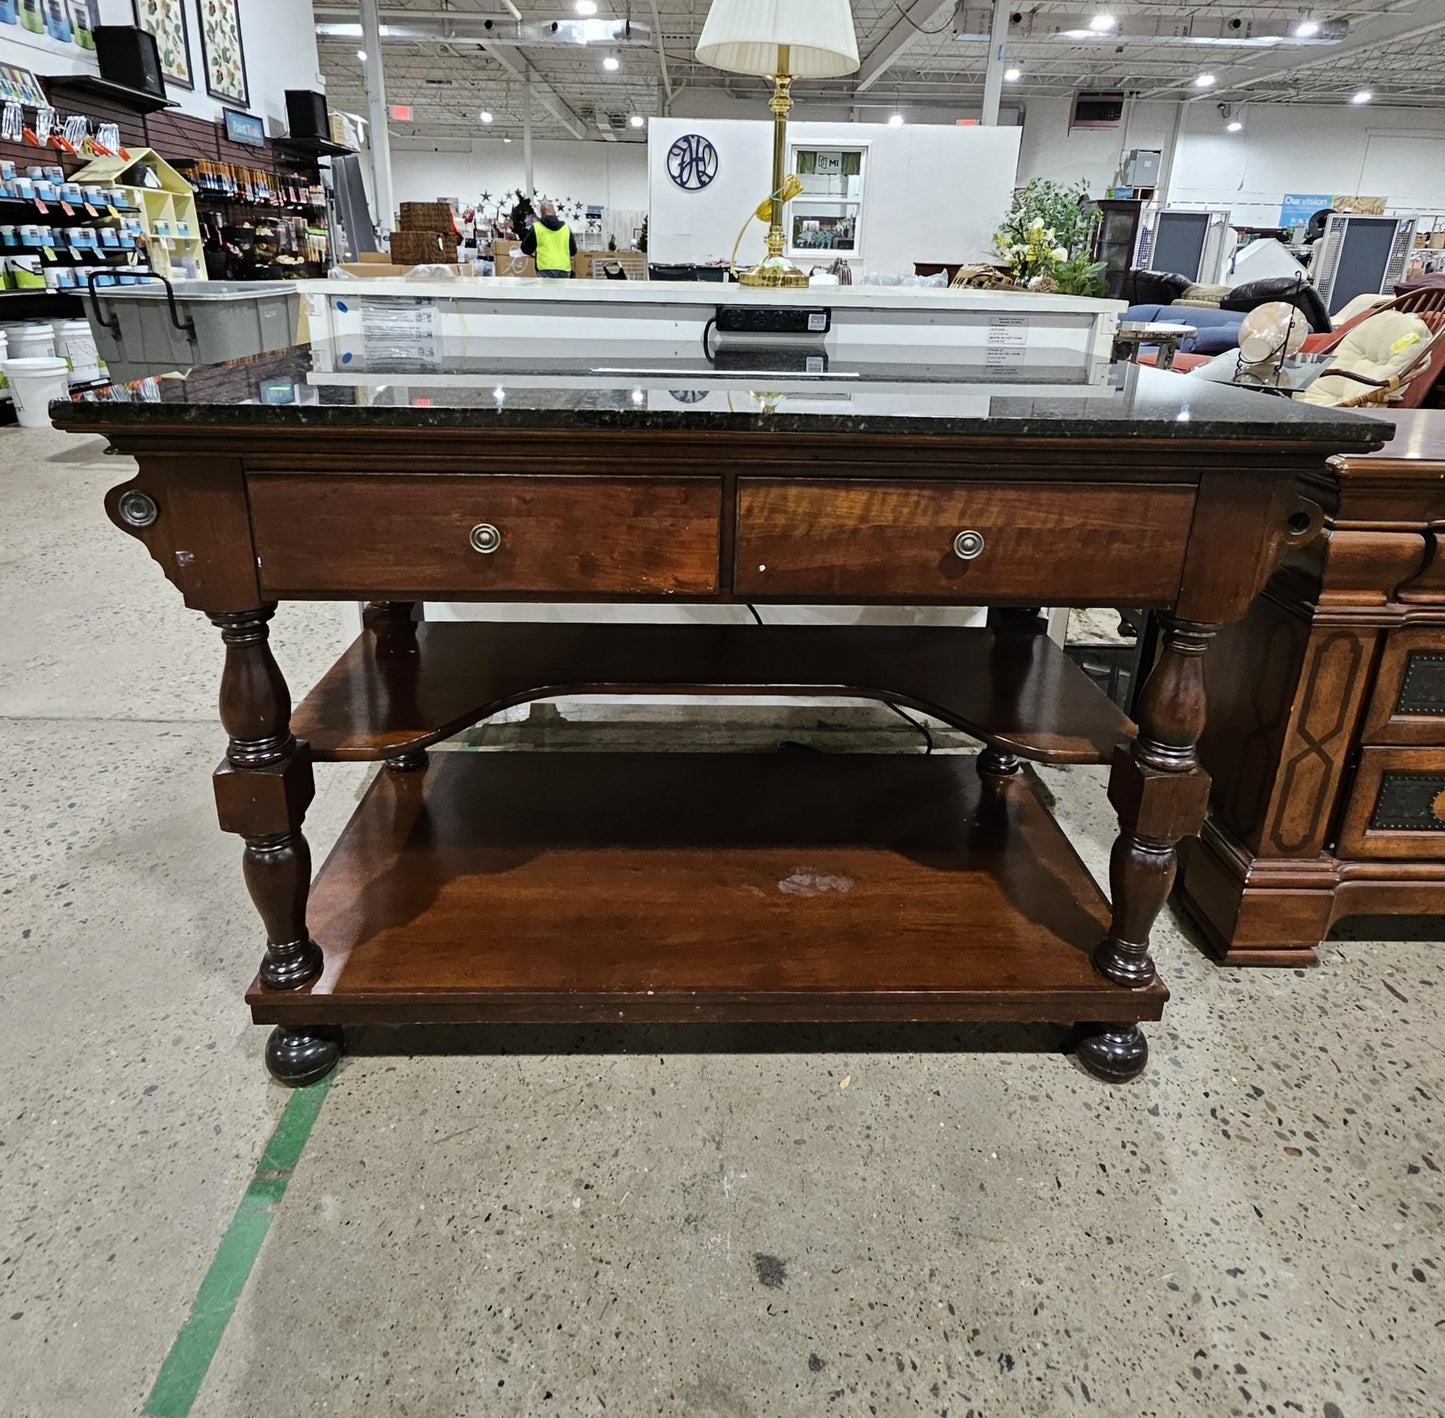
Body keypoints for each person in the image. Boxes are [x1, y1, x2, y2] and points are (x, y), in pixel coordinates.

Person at [522, 200, 577, 278]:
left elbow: (525, 249)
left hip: (545, 268)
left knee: (547, 290)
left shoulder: (536, 227)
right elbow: (573, 251)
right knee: (562, 290)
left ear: (542, 214)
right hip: (564, 268)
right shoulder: (566, 228)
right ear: (554, 213)